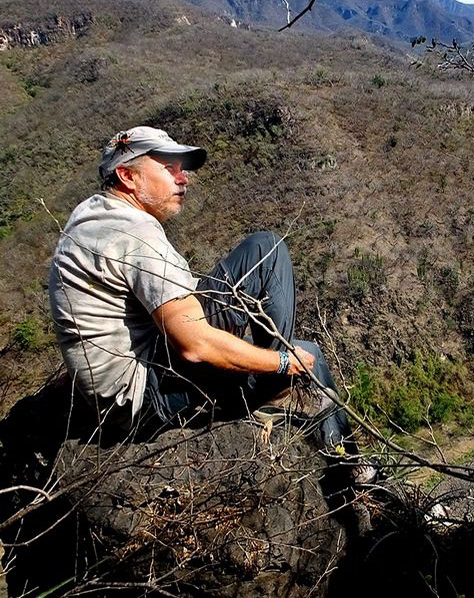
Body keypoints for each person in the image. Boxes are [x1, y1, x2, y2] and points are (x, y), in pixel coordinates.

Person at [48, 126, 377, 484]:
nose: (183, 178)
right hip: (142, 398)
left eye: (182, 168)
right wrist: (279, 361)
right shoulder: (134, 233)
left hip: (114, 390)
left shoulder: (92, 215)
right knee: (268, 251)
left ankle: (340, 455)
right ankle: (326, 445)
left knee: (300, 339)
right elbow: (195, 346)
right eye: (169, 168)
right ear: (128, 176)